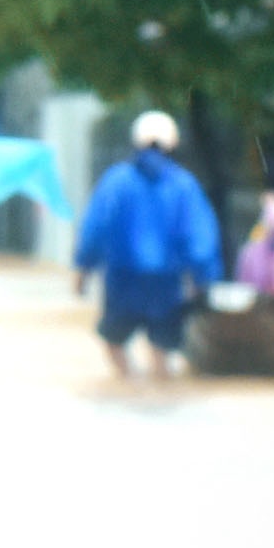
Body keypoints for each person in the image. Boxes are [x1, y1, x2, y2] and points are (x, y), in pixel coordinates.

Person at [74, 111, 219, 377]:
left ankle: (129, 386)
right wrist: (203, 280)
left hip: (122, 279)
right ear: (173, 144)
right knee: (162, 351)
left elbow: (96, 228)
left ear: (135, 142)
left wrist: (83, 271)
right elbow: (200, 240)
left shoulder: (116, 181)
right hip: (166, 283)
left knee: (113, 341)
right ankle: (158, 394)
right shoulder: (184, 185)